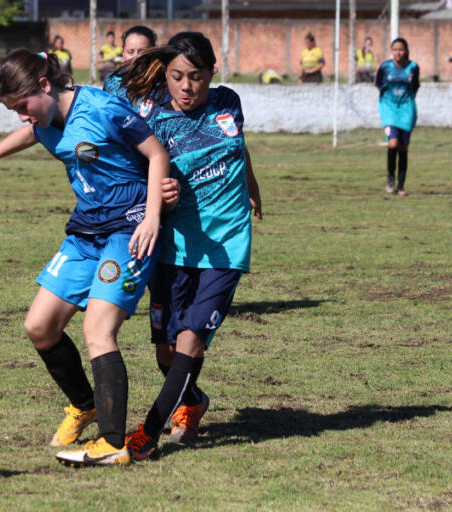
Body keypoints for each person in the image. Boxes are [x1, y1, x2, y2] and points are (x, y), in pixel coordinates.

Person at [0, 49, 169, 467]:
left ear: (45, 86)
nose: (21, 117)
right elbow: (34, 133)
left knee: (98, 330)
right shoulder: (45, 119)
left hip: (128, 230)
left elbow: (157, 154)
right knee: (39, 326)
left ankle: (111, 443)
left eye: (22, 106)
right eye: (13, 110)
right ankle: (85, 404)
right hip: (85, 233)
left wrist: (153, 216)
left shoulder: (104, 108)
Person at [118, 32, 263, 461]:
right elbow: (139, 172)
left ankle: (147, 433)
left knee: (190, 340)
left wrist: (252, 186)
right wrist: (158, 195)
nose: (186, 87)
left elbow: (240, 146)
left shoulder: (228, 102)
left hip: (224, 248)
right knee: (166, 350)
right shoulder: (151, 115)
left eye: (196, 77)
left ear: (211, 74)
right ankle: (193, 399)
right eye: (177, 76)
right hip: (171, 246)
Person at [375, 38, 420, 197]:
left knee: (403, 147)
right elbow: (379, 85)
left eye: (401, 49)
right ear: (391, 50)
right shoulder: (385, 67)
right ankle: (390, 177)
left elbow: (415, 87)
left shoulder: (413, 67)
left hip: (406, 111)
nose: (398, 53)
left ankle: (401, 186)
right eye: (395, 49)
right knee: (393, 143)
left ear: (406, 50)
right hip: (389, 110)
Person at [103, 25, 157, 101]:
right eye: (130, 52)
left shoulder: (162, 82)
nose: (136, 57)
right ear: (123, 52)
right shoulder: (112, 81)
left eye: (142, 52)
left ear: (153, 52)